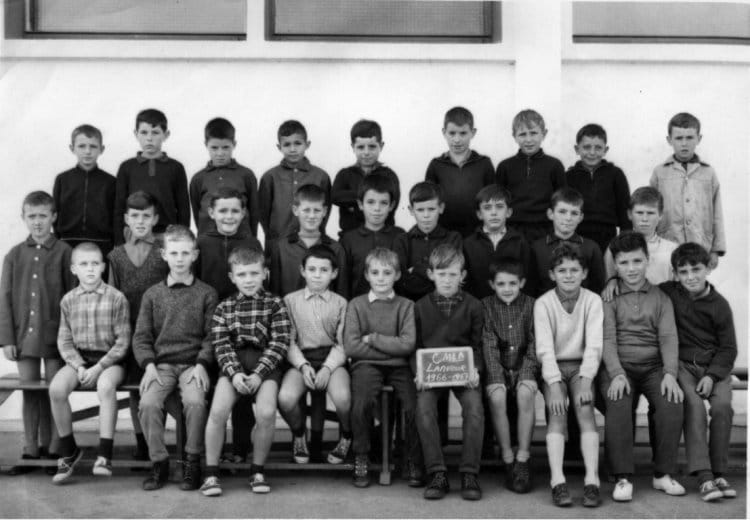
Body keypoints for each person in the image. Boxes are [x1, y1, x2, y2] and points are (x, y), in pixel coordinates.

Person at [599, 231, 685, 503]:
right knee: (618, 401)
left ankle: (662, 474)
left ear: (647, 260)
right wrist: (616, 373)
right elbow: (607, 339)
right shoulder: (609, 297)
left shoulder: (660, 297)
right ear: (615, 265)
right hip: (619, 366)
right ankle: (622, 477)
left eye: (637, 261)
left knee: (671, 402)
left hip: (653, 367)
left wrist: (670, 374)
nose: (631, 268)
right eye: (623, 263)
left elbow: (668, 337)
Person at [133, 225, 218, 491]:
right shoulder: (152, 294)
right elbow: (141, 337)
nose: (179, 259)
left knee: (195, 402)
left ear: (194, 255)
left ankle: (192, 461)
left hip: (193, 365)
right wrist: (148, 365)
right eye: (174, 253)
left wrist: (203, 364)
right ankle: (159, 462)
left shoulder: (207, 293)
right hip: (161, 365)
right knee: (148, 404)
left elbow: (212, 336)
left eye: (185, 253)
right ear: (164, 255)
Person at [200, 247, 291, 496]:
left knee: (266, 412)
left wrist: (260, 374)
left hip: (266, 365)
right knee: (217, 412)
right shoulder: (224, 307)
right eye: (242, 274)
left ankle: (257, 470)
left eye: (254, 273)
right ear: (232, 277)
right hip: (234, 365)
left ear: (265, 274)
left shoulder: (275, 304)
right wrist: (235, 373)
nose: (248, 280)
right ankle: (211, 474)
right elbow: (221, 344)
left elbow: (280, 342)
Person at [0, 191, 75, 474]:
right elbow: (4, 298)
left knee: (56, 391)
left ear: (53, 216)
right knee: (30, 392)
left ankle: (54, 449)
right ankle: (31, 449)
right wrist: (7, 339)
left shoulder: (65, 252)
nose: (38, 221)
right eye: (32, 216)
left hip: (56, 337)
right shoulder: (14, 254)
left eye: (43, 215)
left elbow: (73, 297)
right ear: (23, 217)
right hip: (24, 337)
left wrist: (70, 340)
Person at [660, 243, 738, 502]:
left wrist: (712, 375)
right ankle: (704, 476)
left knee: (723, 407)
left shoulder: (720, 305)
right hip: (683, 366)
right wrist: (614, 282)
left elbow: (728, 348)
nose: (690, 277)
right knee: (693, 407)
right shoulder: (669, 292)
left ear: (707, 269)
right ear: (675, 274)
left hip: (713, 367)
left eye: (696, 269)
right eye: (683, 272)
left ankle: (719, 472)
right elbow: (641, 289)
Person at [48, 243, 130, 483]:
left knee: (105, 386)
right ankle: (69, 451)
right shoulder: (68, 300)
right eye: (84, 264)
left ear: (103, 267)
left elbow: (123, 342)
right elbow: (64, 341)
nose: (90, 269)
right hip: (80, 361)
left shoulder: (116, 298)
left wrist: (99, 367)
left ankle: (104, 454)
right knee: (56, 389)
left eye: (95, 263)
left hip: (111, 361)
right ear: (74, 269)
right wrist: (80, 366)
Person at [194, 187, 262, 467]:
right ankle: (213, 448)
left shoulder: (251, 242)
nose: (229, 216)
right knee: (214, 387)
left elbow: (256, 280)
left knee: (241, 387)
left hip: (244, 321)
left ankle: (241, 447)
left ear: (244, 213)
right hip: (212, 320)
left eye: (235, 210)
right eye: (223, 210)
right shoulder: (201, 242)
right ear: (211, 213)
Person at [343, 247, 422, 488]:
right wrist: (392, 348)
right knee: (361, 403)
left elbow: (408, 344)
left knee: (414, 406)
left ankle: (412, 458)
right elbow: (352, 347)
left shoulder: (406, 306)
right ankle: (361, 455)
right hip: (366, 366)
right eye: (375, 272)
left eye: (387, 273)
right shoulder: (356, 305)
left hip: (401, 368)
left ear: (397, 275)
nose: (381, 278)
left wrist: (373, 339)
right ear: (367, 275)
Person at [534, 244, 603, 508]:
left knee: (585, 410)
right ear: (552, 274)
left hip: (581, 367)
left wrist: (586, 381)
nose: (569, 275)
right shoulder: (543, 303)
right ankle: (557, 480)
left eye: (575, 270)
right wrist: (553, 385)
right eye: (562, 270)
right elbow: (544, 349)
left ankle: (592, 480)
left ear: (584, 273)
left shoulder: (593, 301)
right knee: (557, 413)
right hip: (554, 367)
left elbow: (594, 346)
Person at [414, 245, 484, 501]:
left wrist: (476, 368)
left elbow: (478, 344)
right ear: (431, 274)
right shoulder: (419, 307)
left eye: (453, 274)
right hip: (431, 374)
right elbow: (415, 346)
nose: (447, 280)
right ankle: (437, 473)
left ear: (462, 275)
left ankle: (469, 473)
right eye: (441, 274)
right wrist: (418, 372)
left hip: (463, 372)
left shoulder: (474, 306)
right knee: (424, 408)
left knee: (474, 408)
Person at [107, 190, 169, 463]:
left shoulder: (164, 251)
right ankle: (142, 443)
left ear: (155, 218)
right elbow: (112, 296)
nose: (140, 221)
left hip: (162, 330)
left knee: (159, 385)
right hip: (131, 331)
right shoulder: (116, 255)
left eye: (146, 216)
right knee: (136, 387)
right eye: (135, 216)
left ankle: (160, 442)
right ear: (126, 219)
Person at [278, 245, 351, 466]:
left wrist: (328, 368)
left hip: (332, 361)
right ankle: (299, 435)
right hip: (302, 359)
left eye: (324, 270)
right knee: (286, 398)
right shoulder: (290, 301)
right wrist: (302, 365)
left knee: (343, 398)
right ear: (303, 271)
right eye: (312, 269)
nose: (317, 275)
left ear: (334, 273)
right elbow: (288, 341)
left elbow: (342, 343)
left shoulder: (341, 303)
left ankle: (347, 435)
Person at [482, 258, 538, 493]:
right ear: (492, 285)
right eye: (501, 284)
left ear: (521, 283)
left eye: (512, 283)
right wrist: (496, 378)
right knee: (497, 397)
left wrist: (526, 373)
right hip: (498, 367)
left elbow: (535, 343)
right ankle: (507, 457)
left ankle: (523, 458)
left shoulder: (532, 305)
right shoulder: (486, 306)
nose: (507, 289)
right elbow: (488, 345)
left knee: (525, 393)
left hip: (526, 365)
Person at [650, 112, 725, 269]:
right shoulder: (660, 173)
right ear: (669, 140)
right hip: (668, 245)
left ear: (699, 138)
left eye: (690, 137)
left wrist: (715, 250)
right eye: (679, 138)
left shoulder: (708, 173)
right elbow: (651, 210)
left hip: (700, 245)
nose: (684, 143)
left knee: (694, 280)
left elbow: (717, 214)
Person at [113, 108, 190, 244]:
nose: (149, 138)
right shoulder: (127, 167)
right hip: (134, 235)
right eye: (144, 132)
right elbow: (119, 207)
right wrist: (119, 242)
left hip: (166, 236)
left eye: (155, 132)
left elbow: (183, 208)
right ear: (136, 134)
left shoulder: (176, 167)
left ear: (166, 135)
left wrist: (182, 239)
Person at [496, 109, 566, 244]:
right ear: (514, 136)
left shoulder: (554, 166)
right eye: (522, 134)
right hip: (513, 229)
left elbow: (561, 201)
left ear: (544, 134)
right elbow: (499, 202)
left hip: (546, 229)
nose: (528, 140)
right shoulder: (505, 167)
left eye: (533, 133)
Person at [425, 106, 495, 238]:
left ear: (473, 133)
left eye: (463, 133)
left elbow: (492, 201)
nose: (457, 139)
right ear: (444, 132)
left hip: (477, 234)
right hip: (444, 234)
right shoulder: (436, 165)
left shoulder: (484, 164)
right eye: (452, 133)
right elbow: (428, 202)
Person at [267, 184, 347, 297]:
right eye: (306, 210)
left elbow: (342, 291)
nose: (311, 216)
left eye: (317, 210)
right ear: (295, 210)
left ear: (324, 211)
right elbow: (274, 291)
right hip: (288, 308)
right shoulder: (281, 247)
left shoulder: (336, 248)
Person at [259, 119, 331, 245]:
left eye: (298, 143)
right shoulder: (270, 177)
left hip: (312, 243)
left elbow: (325, 211)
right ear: (279, 147)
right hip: (277, 243)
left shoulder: (321, 176)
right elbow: (263, 214)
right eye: (287, 144)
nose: (292, 149)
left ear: (307, 144)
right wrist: (272, 236)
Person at [52, 124, 116, 261]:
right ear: (72, 148)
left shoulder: (111, 182)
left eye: (93, 146)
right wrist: (58, 240)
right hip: (67, 243)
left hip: (103, 244)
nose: (87, 151)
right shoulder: (62, 179)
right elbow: (55, 212)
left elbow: (116, 216)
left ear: (101, 149)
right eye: (81, 146)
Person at [527, 187, 605, 297]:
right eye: (562, 212)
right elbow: (530, 289)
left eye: (574, 213)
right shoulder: (537, 248)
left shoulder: (591, 248)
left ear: (581, 217)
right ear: (550, 214)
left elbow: (598, 288)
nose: (568, 218)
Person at [565, 123, 631, 253]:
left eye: (598, 148)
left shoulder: (616, 175)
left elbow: (625, 211)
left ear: (605, 150)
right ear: (577, 149)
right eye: (586, 147)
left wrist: (625, 241)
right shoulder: (568, 177)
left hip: (607, 236)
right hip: (576, 235)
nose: (592, 152)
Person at [190, 117, 259, 237]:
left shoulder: (246, 175)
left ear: (234, 144)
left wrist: (251, 240)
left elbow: (254, 212)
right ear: (206, 145)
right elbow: (197, 213)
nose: (220, 153)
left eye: (225, 147)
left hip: (241, 239)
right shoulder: (198, 179)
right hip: (208, 240)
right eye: (214, 148)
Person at [393, 182, 462, 302]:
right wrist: (435, 275)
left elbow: (450, 275)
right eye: (420, 210)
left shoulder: (453, 238)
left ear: (441, 208)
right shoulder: (402, 240)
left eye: (431, 209)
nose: (426, 215)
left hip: (444, 304)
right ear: (411, 210)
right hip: (411, 305)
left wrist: (416, 269)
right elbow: (402, 281)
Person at [340, 173, 404, 298]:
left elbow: (403, 277)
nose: (377, 208)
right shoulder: (348, 239)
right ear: (360, 204)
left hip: (394, 305)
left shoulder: (400, 236)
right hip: (358, 306)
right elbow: (343, 281)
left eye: (383, 203)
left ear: (391, 205)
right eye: (370, 202)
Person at [332, 119, 400, 235]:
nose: (366, 152)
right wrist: (371, 197)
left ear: (381, 146)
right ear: (353, 147)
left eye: (372, 146)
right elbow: (335, 197)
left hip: (384, 236)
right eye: (361, 147)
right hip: (350, 237)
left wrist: (353, 205)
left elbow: (392, 204)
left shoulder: (389, 175)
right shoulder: (345, 174)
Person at [463, 185, 530, 300]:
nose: (494, 212)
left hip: (513, 305)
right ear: (479, 214)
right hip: (477, 305)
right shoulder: (468, 244)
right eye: (487, 208)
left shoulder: (520, 242)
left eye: (499, 207)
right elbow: (466, 283)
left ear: (508, 212)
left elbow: (528, 280)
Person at [603, 187, 678, 287]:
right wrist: (611, 281)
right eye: (639, 213)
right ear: (629, 214)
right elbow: (609, 283)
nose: (644, 219)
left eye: (650, 213)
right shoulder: (615, 247)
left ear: (660, 215)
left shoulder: (672, 249)